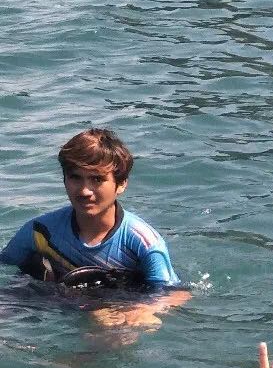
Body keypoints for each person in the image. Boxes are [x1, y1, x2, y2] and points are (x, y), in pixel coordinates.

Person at [0, 128, 187, 326]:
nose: (84, 191)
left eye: (97, 179)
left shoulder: (143, 243)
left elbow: (175, 294)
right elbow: (4, 267)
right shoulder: (39, 231)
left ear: (121, 184)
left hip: (114, 309)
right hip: (48, 304)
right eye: (75, 177)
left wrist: (139, 311)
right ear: (64, 179)